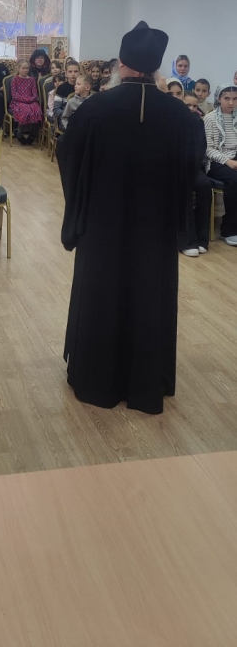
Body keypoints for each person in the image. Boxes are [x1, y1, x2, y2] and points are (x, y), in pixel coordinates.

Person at [57, 20, 195, 415]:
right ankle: (145, 381)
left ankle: (97, 378)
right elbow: (191, 169)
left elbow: (68, 157)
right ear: (155, 67)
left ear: (122, 64)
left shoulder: (94, 108)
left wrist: (79, 211)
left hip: (103, 225)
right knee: (150, 295)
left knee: (101, 292)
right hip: (156, 230)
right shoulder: (180, 115)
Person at [179, 93, 212, 256]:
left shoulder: (198, 122)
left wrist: (192, 165)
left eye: (194, 106)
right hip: (173, 168)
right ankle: (187, 240)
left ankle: (201, 238)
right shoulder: (171, 120)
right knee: (183, 187)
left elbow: (201, 148)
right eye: (188, 105)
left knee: (204, 185)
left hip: (192, 167)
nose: (191, 109)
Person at [204, 85, 237, 246]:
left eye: (235, 99)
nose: (231, 103)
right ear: (219, 99)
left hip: (235, 157)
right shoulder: (210, 118)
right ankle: (228, 230)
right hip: (216, 162)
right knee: (235, 181)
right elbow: (208, 149)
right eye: (227, 98)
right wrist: (228, 161)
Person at [9, 60, 43, 145]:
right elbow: (14, 95)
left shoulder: (32, 80)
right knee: (25, 111)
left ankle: (33, 133)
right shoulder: (15, 80)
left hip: (31, 101)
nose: (25, 70)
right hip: (18, 102)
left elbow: (35, 94)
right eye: (23, 68)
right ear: (19, 68)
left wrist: (30, 100)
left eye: (27, 68)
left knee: (37, 111)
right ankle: (19, 132)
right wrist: (25, 100)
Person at [53, 61, 80, 128]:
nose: (73, 74)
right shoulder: (61, 89)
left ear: (79, 72)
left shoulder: (83, 87)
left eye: (76, 71)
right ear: (66, 73)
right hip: (65, 120)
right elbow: (56, 109)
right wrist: (69, 115)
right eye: (70, 72)